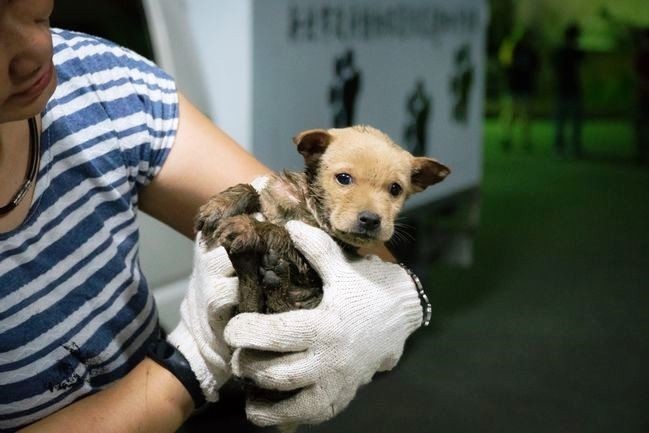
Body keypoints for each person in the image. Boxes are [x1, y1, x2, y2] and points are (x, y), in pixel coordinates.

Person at [0, 2, 429, 432]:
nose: (37, 47)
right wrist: (191, 363)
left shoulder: (103, 84)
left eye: (34, 10)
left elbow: (304, 221)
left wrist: (399, 301)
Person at [499, 29, 540, 152]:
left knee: (525, 115)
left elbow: (536, 67)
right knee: (511, 114)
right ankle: (508, 138)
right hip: (514, 87)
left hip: (524, 87)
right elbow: (506, 64)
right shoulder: (515, 48)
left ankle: (524, 139)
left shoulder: (531, 51)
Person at [553, 23, 584, 159]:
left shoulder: (560, 52)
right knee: (570, 122)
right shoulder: (575, 53)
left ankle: (561, 148)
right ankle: (572, 148)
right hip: (571, 90)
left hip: (564, 90)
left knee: (562, 122)